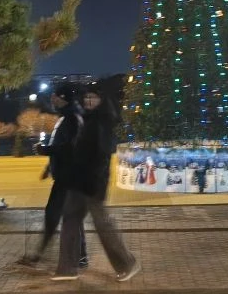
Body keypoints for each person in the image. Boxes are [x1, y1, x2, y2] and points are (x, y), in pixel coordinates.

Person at [52, 82, 140, 283]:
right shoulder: (86, 119)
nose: (89, 101)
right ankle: (67, 268)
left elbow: (102, 156)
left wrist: (95, 180)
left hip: (93, 183)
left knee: (102, 224)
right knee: (70, 219)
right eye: (87, 97)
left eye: (93, 98)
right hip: (78, 180)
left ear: (101, 100)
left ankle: (127, 263)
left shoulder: (103, 122)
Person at [17, 82, 87, 268]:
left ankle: (38, 255)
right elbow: (63, 145)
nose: (52, 98)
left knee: (54, 214)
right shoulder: (67, 116)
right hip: (66, 175)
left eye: (55, 95)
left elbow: (71, 147)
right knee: (69, 216)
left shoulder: (72, 118)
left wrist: (45, 150)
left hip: (69, 177)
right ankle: (80, 256)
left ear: (63, 98)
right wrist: (49, 167)